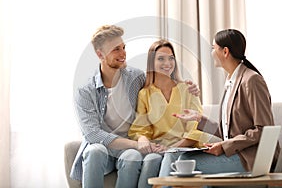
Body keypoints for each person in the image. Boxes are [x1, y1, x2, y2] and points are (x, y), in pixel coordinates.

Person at [70, 25, 200, 188]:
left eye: (123, 47)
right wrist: (136, 144)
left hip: (129, 147)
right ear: (100, 54)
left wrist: (192, 88)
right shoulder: (85, 90)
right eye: (116, 49)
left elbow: (160, 83)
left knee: (132, 158)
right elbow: (93, 135)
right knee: (93, 151)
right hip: (104, 146)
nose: (123, 53)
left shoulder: (136, 77)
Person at [168, 29, 280, 176]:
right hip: (235, 153)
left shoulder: (251, 80)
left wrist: (224, 146)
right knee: (179, 157)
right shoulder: (231, 81)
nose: (212, 52)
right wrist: (199, 118)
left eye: (214, 48)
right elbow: (229, 133)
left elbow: (263, 129)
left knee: (183, 163)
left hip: (250, 158)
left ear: (225, 51)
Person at [128, 39, 211, 176]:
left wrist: (171, 148)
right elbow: (140, 128)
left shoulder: (188, 89)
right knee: (150, 161)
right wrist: (143, 139)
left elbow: (196, 129)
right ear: (152, 63)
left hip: (185, 148)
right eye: (161, 59)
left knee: (166, 158)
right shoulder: (145, 93)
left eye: (171, 58)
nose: (167, 63)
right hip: (158, 149)